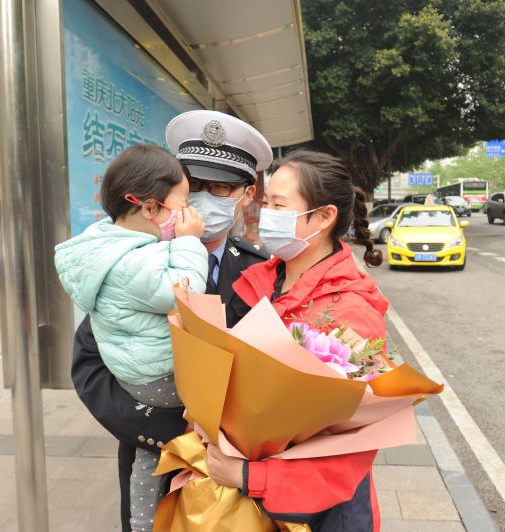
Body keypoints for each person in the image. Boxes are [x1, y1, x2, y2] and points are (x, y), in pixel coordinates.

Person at [69, 110, 272, 531]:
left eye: (221, 187)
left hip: (244, 475)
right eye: (193, 185)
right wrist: (175, 432)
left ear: (246, 195)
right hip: (157, 457)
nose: (201, 199)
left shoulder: (265, 272)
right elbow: (91, 363)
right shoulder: (134, 262)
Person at [206, 149, 388, 531]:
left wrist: (251, 478)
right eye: (265, 202)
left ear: (324, 216)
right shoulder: (259, 281)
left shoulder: (353, 314)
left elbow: (352, 445)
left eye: (279, 205)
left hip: (322, 513)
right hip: (245, 497)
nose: (265, 214)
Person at [55, 144, 208, 531]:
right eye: (183, 204)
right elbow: (184, 290)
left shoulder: (108, 246)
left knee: (147, 460)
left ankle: (142, 522)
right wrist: (189, 242)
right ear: (149, 208)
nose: (189, 214)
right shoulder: (132, 261)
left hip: (140, 378)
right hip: (159, 385)